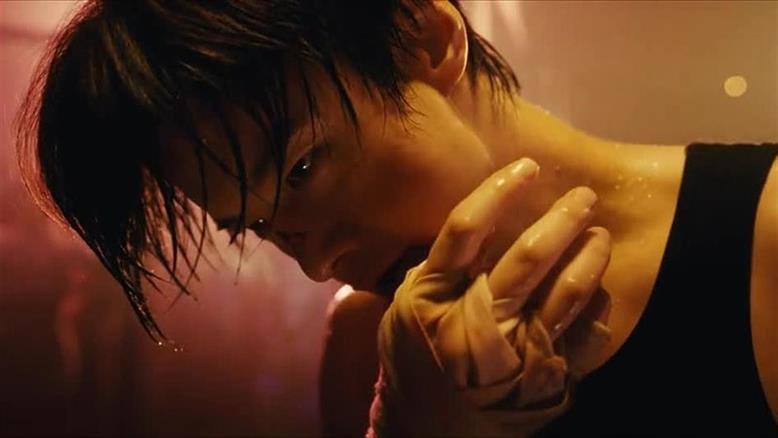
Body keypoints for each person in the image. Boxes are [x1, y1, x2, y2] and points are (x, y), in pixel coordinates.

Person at [16, 0, 777, 436]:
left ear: (426, 36)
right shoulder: (371, 345)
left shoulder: (766, 230)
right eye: (259, 227)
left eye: (303, 169)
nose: (317, 263)